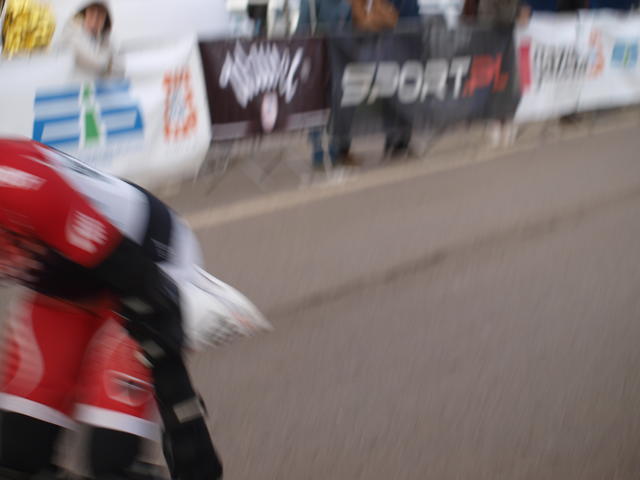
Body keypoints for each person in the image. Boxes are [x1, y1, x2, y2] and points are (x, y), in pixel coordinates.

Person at [0, 138, 271, 479]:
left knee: (111, 461)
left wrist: (177, 401)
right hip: (63, 289)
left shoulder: (21, 184)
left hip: (144, 267)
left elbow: (139, 283)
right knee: (15, 457)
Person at [59, 1, 124, 78]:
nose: (96, 17)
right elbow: (96, 62)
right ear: (84, 13)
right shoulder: (71, 32)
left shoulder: (104, 39)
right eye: (92, 11)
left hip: (96, 84)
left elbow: (120, 69)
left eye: (101, 13)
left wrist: (106, 39)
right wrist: (109, 63)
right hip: (74, 84)